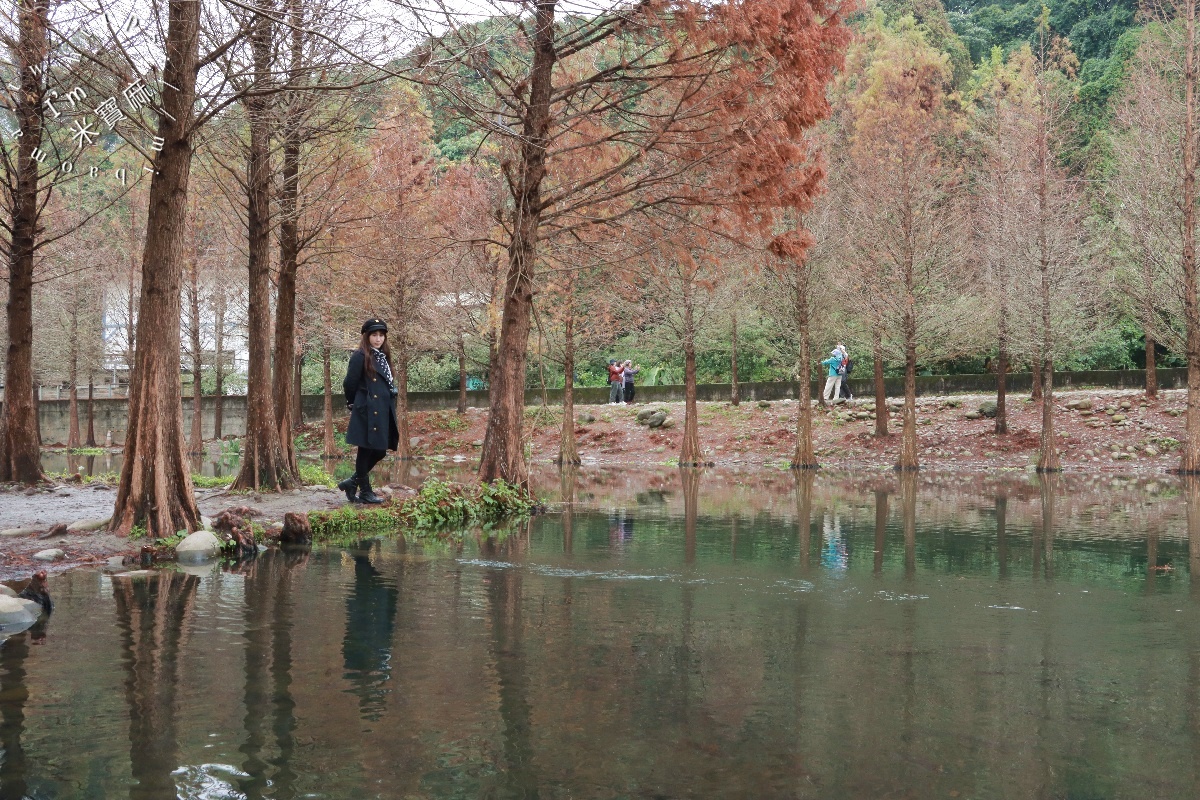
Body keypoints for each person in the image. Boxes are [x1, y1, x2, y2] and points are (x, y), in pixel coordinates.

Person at [339, 318, 399, 504]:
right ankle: (365, 491)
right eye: (374, 335)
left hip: (383, 409)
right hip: (367, 409)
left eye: (381, 335)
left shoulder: (383, 355)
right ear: (367, 336)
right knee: (365, 450)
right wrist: (353, 402)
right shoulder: (360, 355)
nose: (378, 339)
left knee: (380, 450)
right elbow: (350, 382)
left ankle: (352, 482)